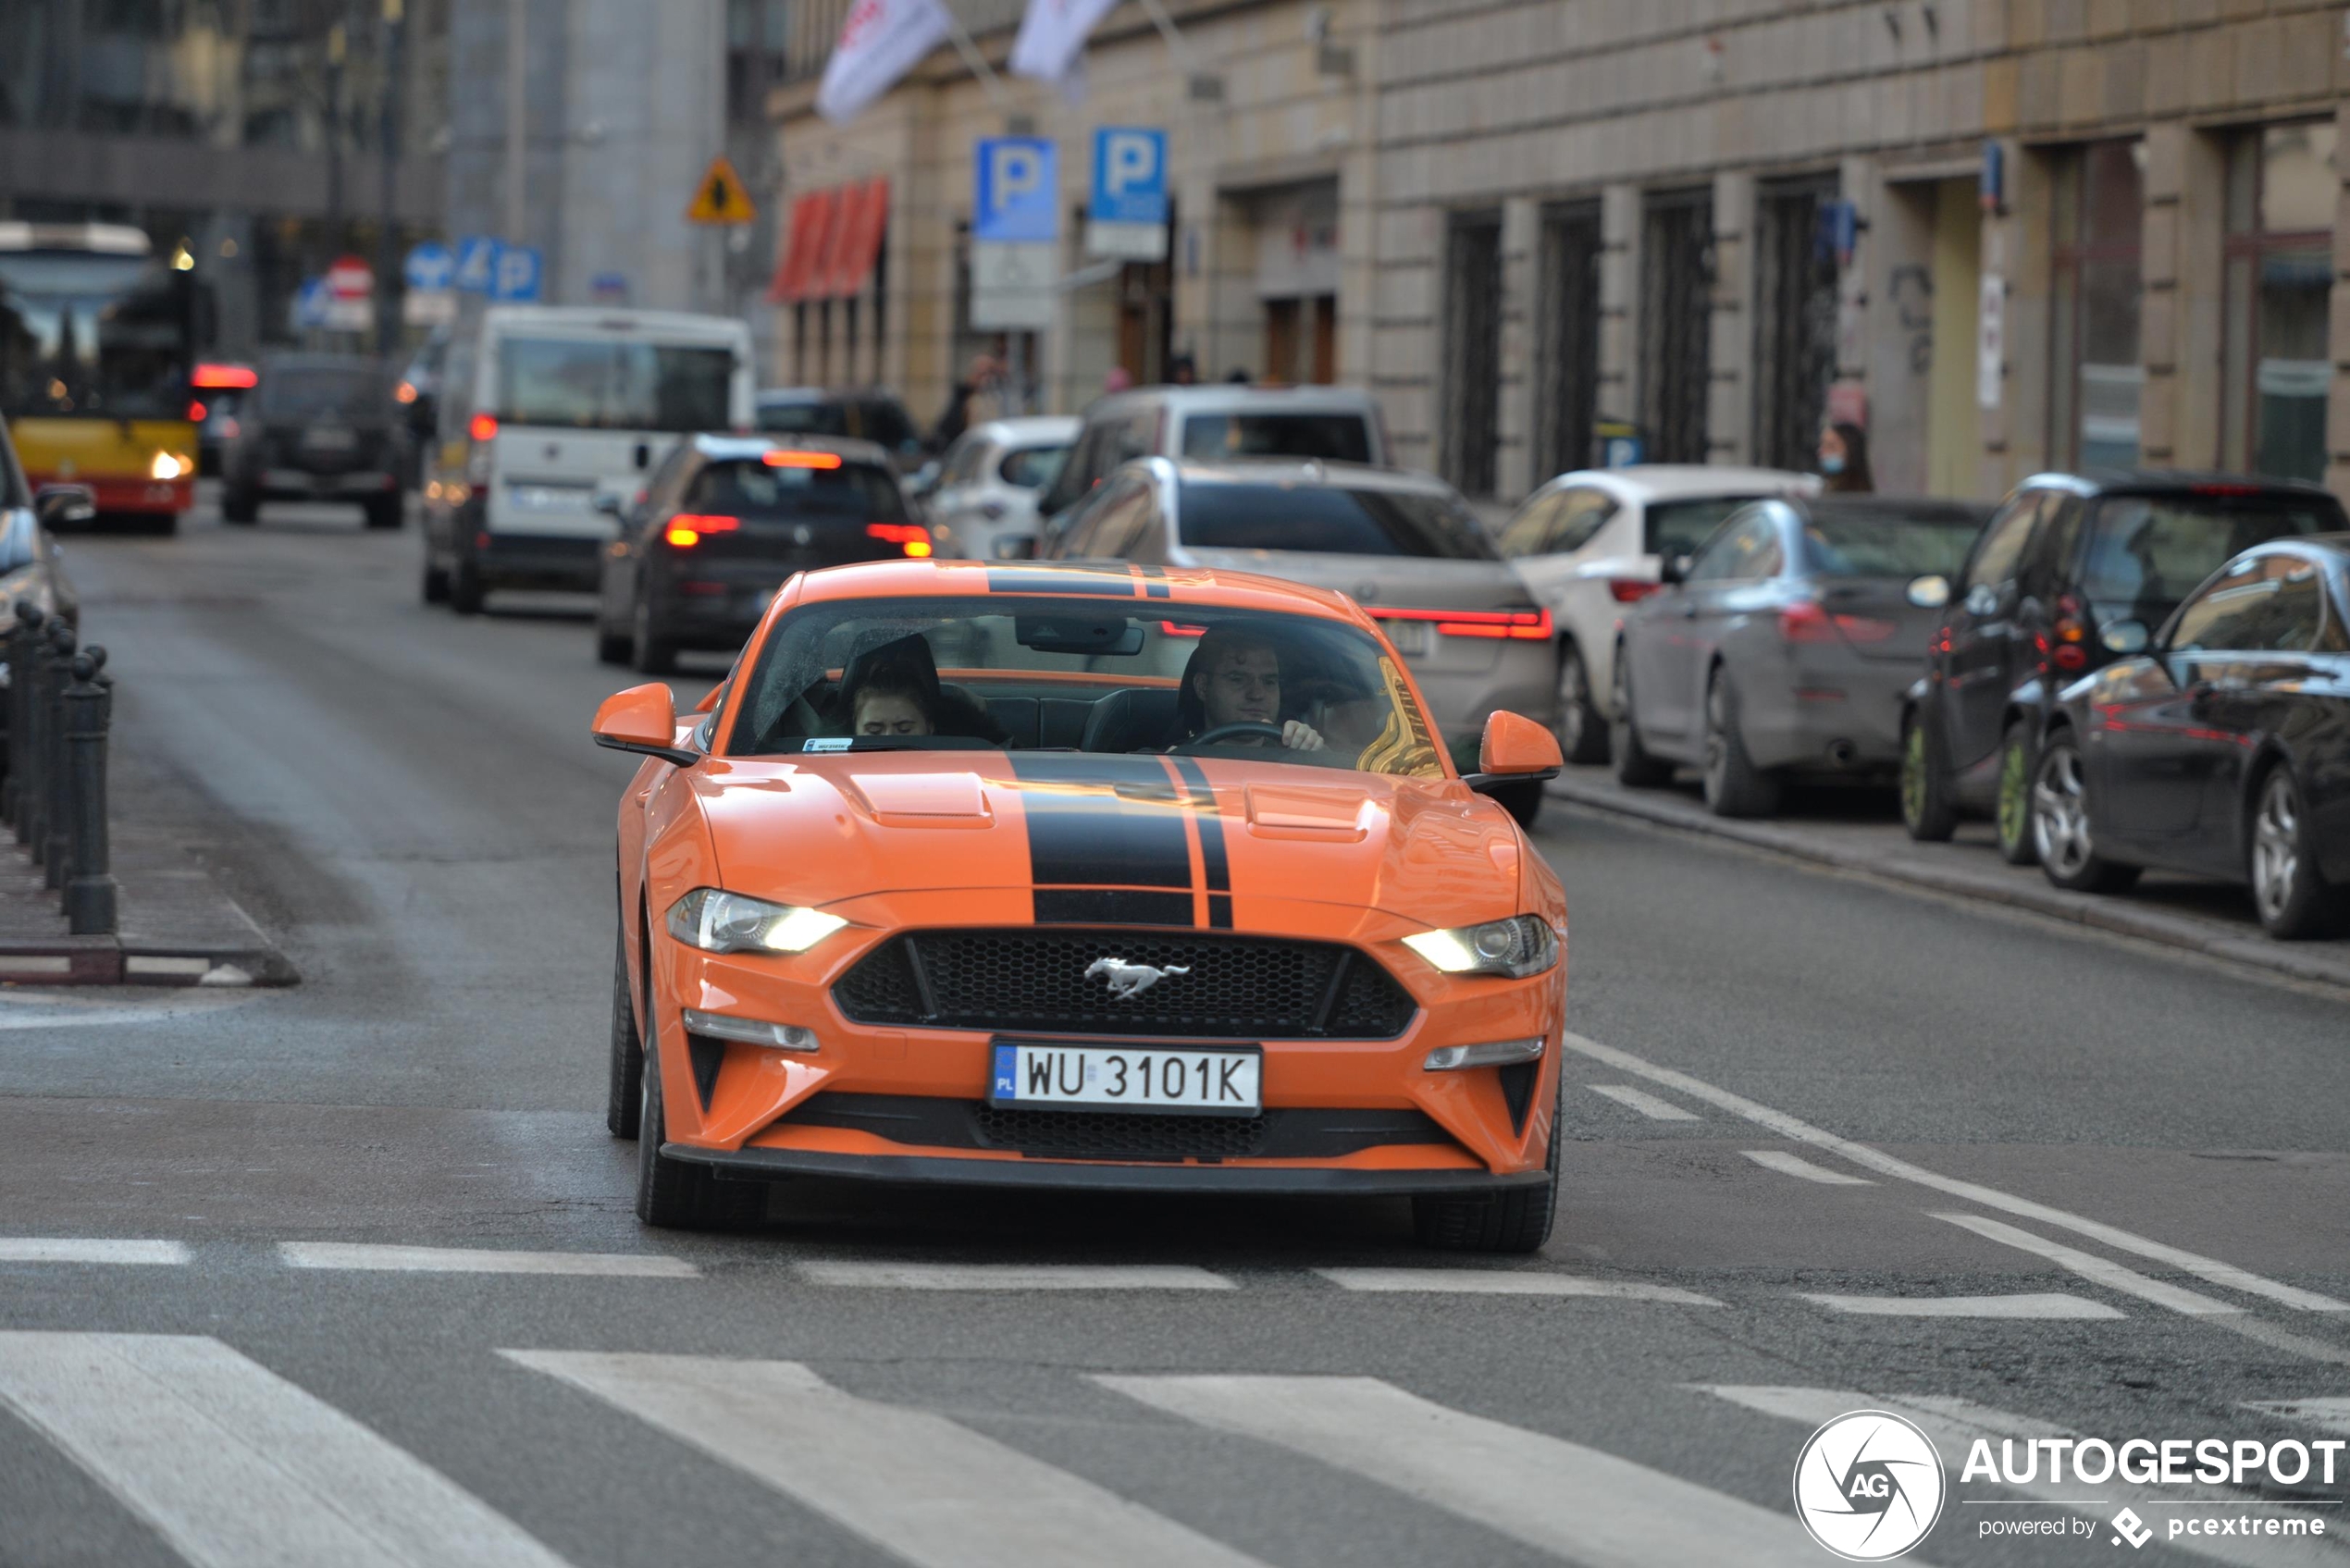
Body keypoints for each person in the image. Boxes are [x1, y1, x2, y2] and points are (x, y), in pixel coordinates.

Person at [1176, 626, 1324, 751]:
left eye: (1269, 681)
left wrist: (1311, 750)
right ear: (1202, 687)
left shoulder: (1299, 756)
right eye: (1238, 679)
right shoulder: (1173, 762)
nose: (1257, 694)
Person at [928, 352, 1003, 452]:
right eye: (981, 374)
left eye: (990, 373)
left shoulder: (1000, 397)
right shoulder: (964, 398)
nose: (986, 379)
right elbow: (950, 427)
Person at [1818, 420, 1874, 493]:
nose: (1821, 451)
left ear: (1851, 451)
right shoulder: (1826, 487)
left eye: (1831, 446)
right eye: (1822, 445)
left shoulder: (1856, 496)